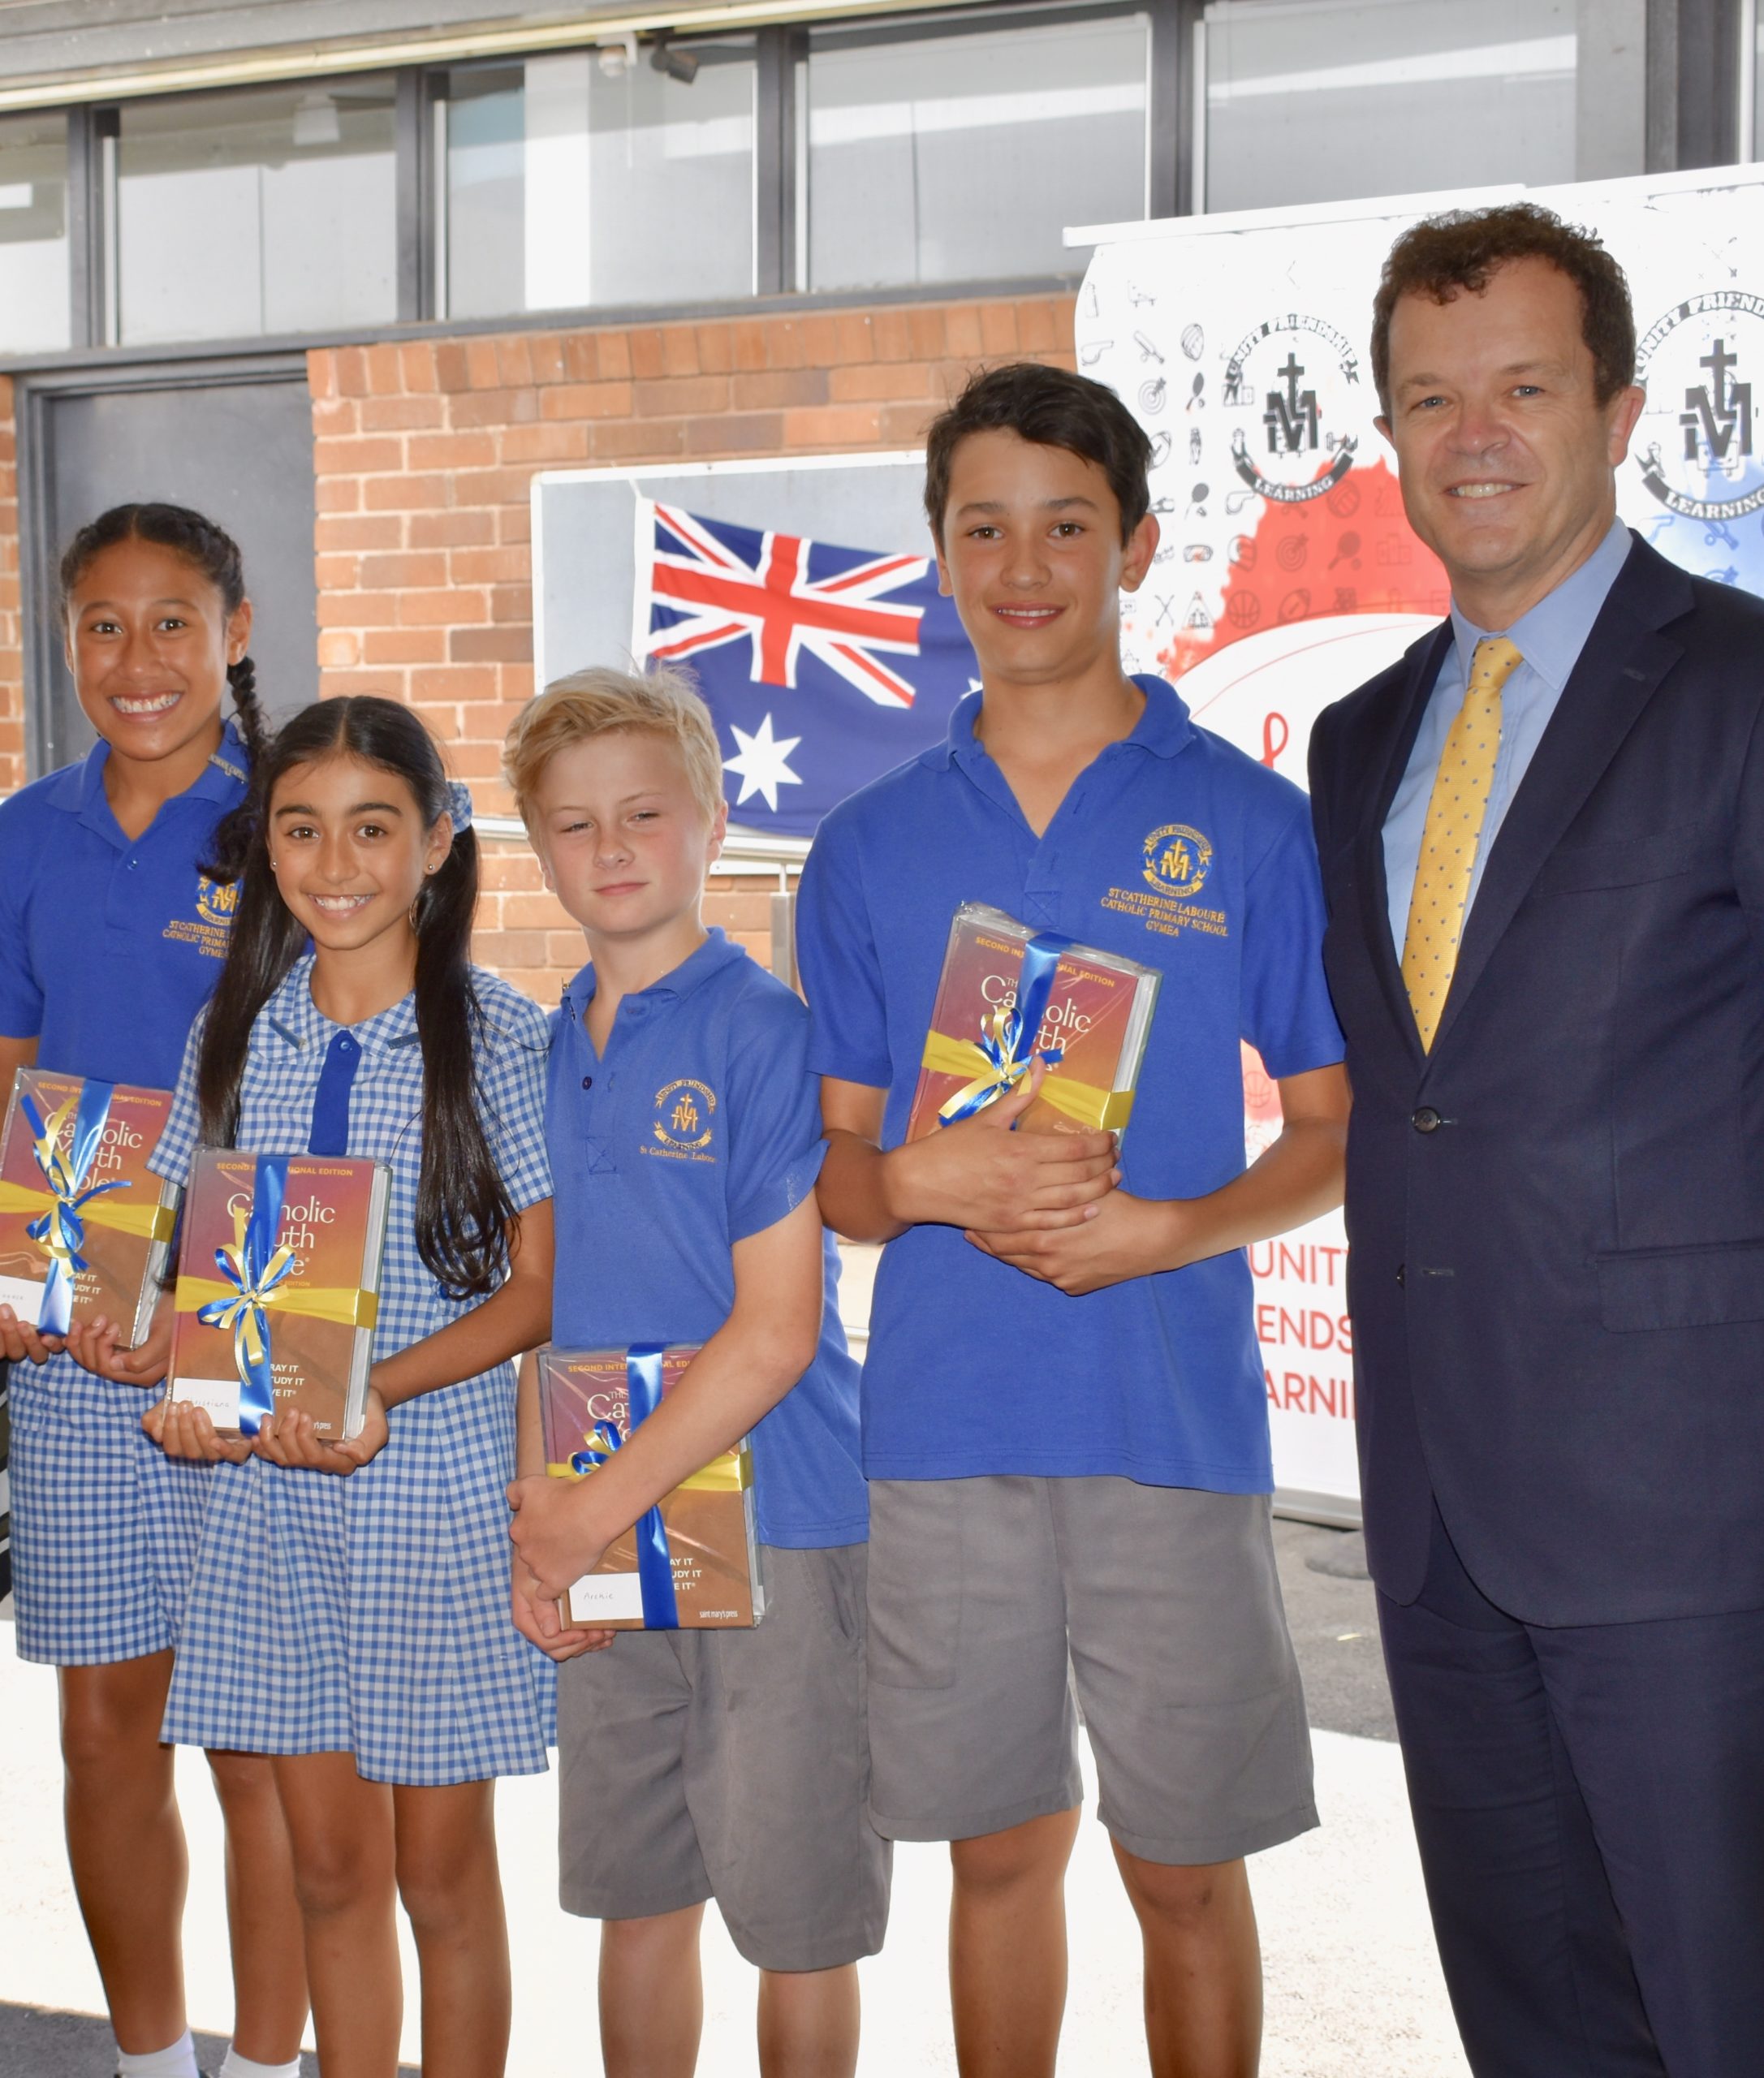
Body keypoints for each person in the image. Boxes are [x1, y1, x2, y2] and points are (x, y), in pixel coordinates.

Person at [794, 360, 1349, 2078]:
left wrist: (1164, 1231)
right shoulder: (866, 845)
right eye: (983, 528)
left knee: (1183, 1869)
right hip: (944, 1431)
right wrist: (917, 1185)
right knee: (996, 1858)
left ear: (1138, 545)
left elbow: (1335, 1132)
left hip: (1166, 1423)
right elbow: (832, 1170)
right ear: (939, 550)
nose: (1021, 566)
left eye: (1064, 525)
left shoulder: (1251, 822)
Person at [1307, 200, 1764, 2078]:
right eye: (1429, 397)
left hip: (1691, 1520)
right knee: (1533, 2024)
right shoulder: (1356, 740)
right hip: (1433, 1517)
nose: (1472, 434)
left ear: (1621, 409)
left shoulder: (1739, 683)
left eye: (1521, 386)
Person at [71, 696, 554, 2078]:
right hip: (269, 1514)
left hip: (431, 1501)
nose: (334, 864)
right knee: (329, 1871)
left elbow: (540, 1288)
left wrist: (375, 1390)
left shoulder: (498, 1037)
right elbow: (188, 1273)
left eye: (371, 828)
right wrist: (150, 1352)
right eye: (300, 829)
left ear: (439, 840)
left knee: (438, 1882)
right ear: (265, 847)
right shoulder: (235, 1032)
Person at [502, 666, 885, 2078]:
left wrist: (585, 1512)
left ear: (714, 821)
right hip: (608, 1525)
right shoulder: (548, 1042)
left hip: (778, 1523)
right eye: (574, 824)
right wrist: (542, 1524)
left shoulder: (764, 1031)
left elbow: (774, 1333)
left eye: (644, 813)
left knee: (796, 1922)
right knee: (637, 1898)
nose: (610, 848)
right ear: (538, 850)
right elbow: (549, 1310)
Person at [0, 505, 308, 2078]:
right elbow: (9, 1077)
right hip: (70, 1342)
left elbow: (338, 1090)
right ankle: (147, 2059)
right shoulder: (22, 832)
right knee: (106, 1727)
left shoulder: (298, 821)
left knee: (260, 1741)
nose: (138, 659)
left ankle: (267, 2059)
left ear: (234, 630)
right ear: (64, 639)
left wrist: (213, 1303)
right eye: (103, 625)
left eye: (172, 621)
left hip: (255, 1324)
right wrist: (12, 1272)